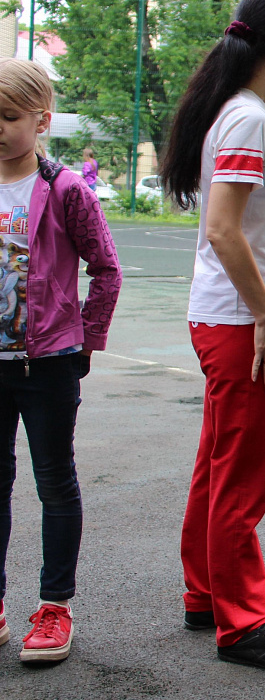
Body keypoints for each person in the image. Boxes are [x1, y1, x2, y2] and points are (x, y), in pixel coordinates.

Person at [158, 0, 265, 672]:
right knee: (241, 477)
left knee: (218, 463)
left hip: (222, 315)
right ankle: (243, 624)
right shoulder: (247, 118)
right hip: (237, 320)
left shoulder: (236, 110)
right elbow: (225, 229)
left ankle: (209, 594)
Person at [0, 59, 120, 664]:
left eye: (8, 117)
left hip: (47, 364)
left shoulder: (66, 189)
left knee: (53, 481)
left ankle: (54, 607)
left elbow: (106, 269)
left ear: (41, 121)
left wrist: (85, 340)